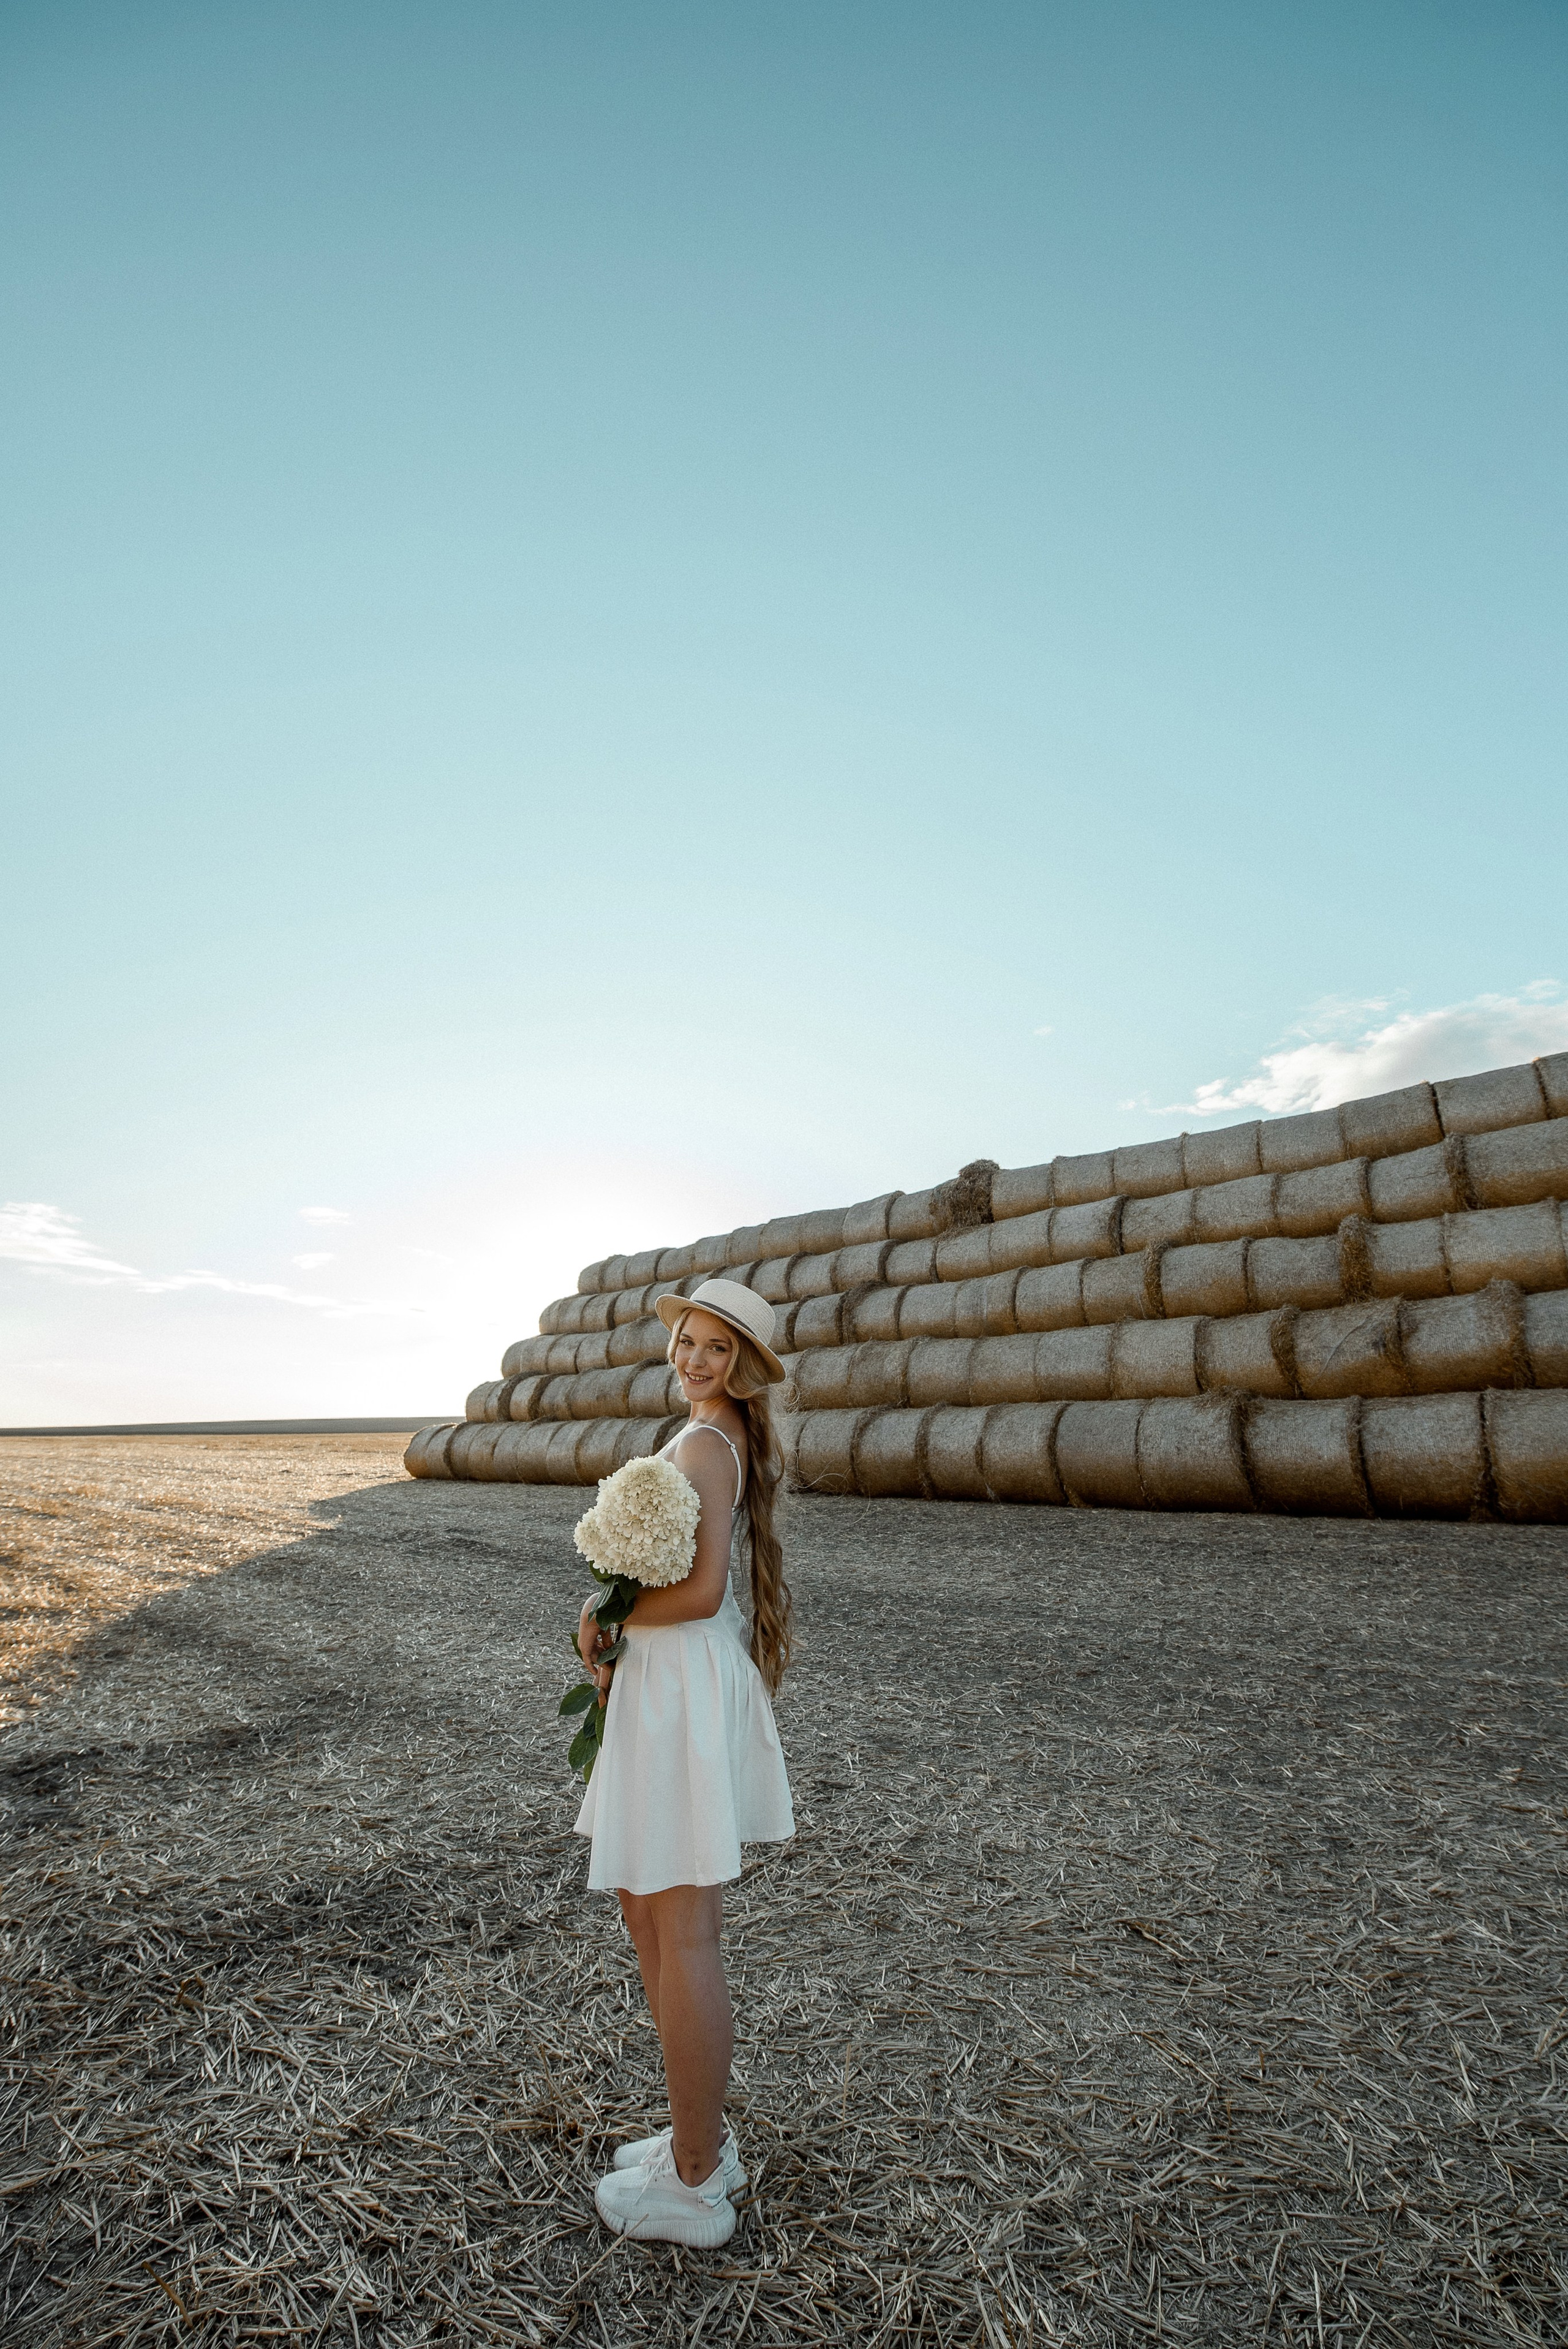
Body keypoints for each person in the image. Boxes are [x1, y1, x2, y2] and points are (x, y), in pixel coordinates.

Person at [573, 1277, 795, 2247]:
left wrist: (600, 1614)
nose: (695, 1358)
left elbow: (702, 1592)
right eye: (689, 1341)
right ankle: (696, 2134)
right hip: (667, 1688)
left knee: (685, 1930)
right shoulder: (711, 1437)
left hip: (678, 1687)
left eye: (718, 1348)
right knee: (649, 1910)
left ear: (745, 1367)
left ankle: (697, 2185)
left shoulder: (707, 1443)